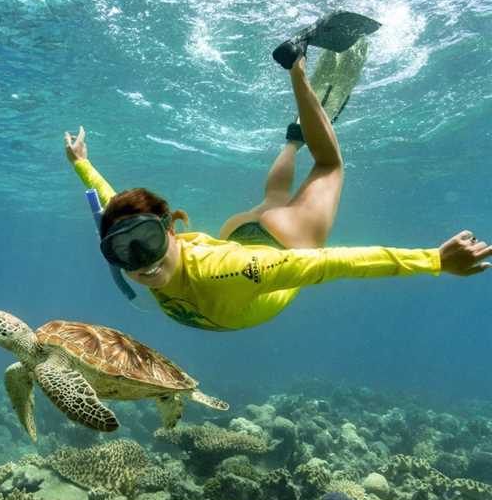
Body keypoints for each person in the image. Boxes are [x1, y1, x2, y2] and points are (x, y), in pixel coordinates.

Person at [64, 55, 490, 332]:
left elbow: (334, 264)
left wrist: (434, 261)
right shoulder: (145, 247)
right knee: (275, 199)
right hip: (244, 234)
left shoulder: (230, 271)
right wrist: (81, 162)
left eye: (148, 242)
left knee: (329, 166)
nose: (141, 263)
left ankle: (299, 75)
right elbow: (110, 203)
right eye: (122, 250)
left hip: (276, 242)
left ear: (169, 230)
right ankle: (292, 139)